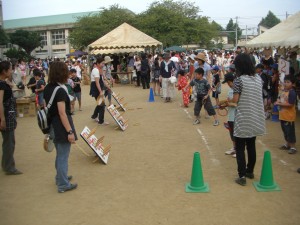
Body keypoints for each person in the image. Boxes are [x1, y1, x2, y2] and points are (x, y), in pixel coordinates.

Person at [231, 53, 266, 186]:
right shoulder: (258, 78)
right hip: (256, 118)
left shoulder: (239, 80)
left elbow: (235, 101)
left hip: (243, 118)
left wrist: (226, 103)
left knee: (240, 147)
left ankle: (242, 176)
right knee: (251, 145)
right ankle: (250, 171)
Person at [43, 61, 78, 193]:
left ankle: (60, 177)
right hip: (61, 126)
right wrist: (70, 131)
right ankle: (63, 184)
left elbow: (46, 106)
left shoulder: (48, 88)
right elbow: (62, 113)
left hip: (53, 125)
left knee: (60, 154)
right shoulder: (60, 91)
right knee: (63, 155)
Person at [0, 61, 22, 175]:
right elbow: (0, 102)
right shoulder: (1, 85)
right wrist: (2, 118)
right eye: (9, 69)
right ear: (4, 71)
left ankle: (6, 164)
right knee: (9, 142)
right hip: (6, 115)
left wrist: (10, 84)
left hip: (7, 114)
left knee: (8, 141)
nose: (11, 71)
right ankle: (9, 167)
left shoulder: (4, 83)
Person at [275, 75, 297, 154]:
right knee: (285, 131)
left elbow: (291, 104)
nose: (286, 83)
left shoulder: (292, 92)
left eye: (288, 82)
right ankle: (287, 144)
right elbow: (280, 99)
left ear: (293, 84)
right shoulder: (283, 91)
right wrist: (278, 102)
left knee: (290, 132)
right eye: (285, 82)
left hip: (289, 117)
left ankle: (293, 147)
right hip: (283, 116)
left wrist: (279, 104)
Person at [90, 57, 109, 125]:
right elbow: (97, 82)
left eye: (103, 63)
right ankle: (101, 121)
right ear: (97, 63)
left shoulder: (99, 70)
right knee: (102, 105)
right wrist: (100, 92)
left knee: (100, 103)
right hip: (96, 89)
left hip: (98, 88)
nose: (103, 65)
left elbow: (102, 80)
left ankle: (94, 116)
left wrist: (107, 86)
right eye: (102, 63)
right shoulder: (96, 70)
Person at [222, 73, 237, 158]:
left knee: (236, 134)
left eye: (228, 82)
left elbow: (236, 103)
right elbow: (229, 102)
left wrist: (228, 103)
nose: (228, 84)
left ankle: (238, 150)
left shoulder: (237, 90)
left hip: (236, 116)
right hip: (231, 116)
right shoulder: (230, 90)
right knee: (232, 133)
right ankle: (234, 148)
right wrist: (223, 106)